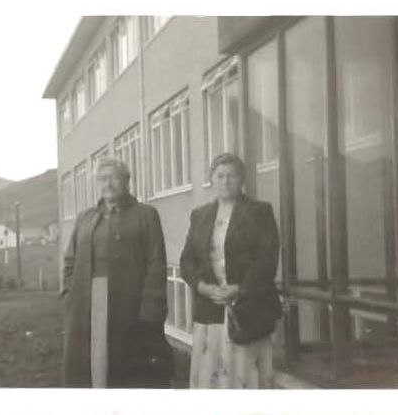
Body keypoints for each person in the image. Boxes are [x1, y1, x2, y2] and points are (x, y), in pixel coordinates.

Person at [61, 158, 171, 388]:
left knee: (128, 368)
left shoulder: (146, 214)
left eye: (113, 178)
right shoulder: (85, 217)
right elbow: (70, 260)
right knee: (91, 365)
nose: (108, 184)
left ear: (126, 181)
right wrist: (70, 296)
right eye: (102, 179)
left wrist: (150, 309)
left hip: (130, 303)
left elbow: (156, 263)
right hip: (88, 303)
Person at [180, 152, 281, 388]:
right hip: (210, 309)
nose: (226, 181)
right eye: (220, 176)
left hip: (248, 309)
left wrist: (240, 288)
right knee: (212, 379)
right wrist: (203, 288)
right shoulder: (200, 215)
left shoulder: (260, 211)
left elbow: (267, 259)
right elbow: (187, 261)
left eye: (232, 176)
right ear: (212, 179)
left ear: (242, 179)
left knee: (247, 379)